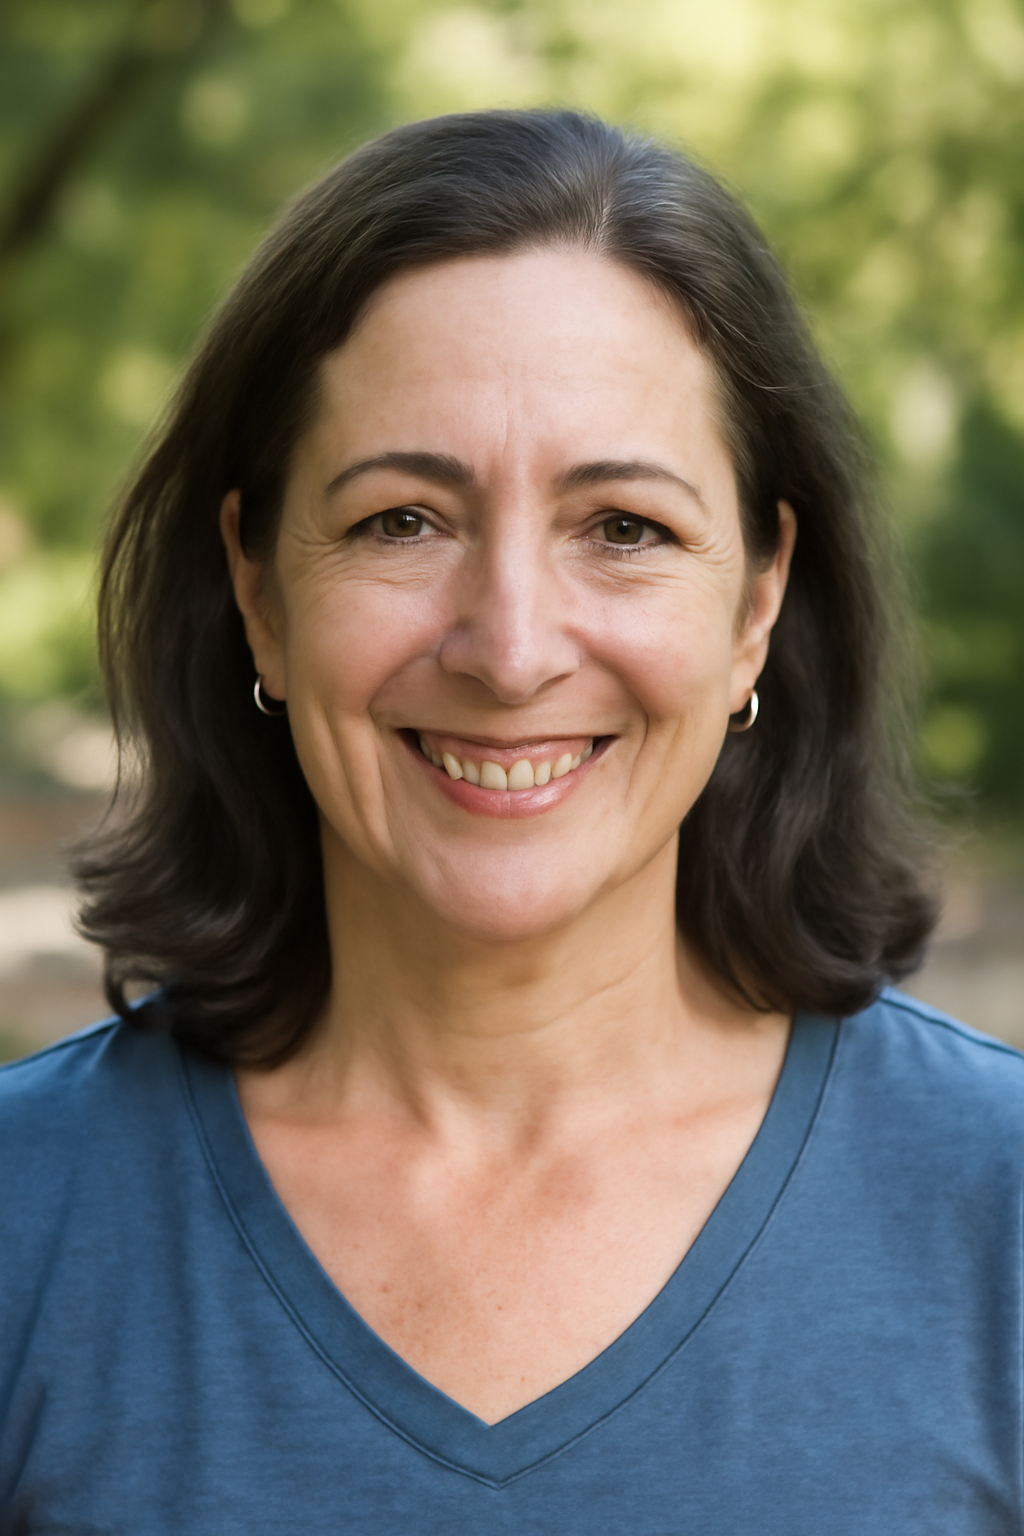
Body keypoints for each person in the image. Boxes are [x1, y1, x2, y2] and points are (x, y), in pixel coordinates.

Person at [1, 109, 1020, 1534]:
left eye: (625, 528)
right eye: (402, 521)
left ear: (757, 604)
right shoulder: (25, 1219)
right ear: (257, 590)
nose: (512, 648)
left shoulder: (997, 1211)